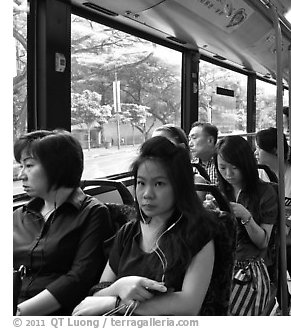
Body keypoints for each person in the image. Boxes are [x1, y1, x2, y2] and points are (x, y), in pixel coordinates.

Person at [72, 136, 217, 315]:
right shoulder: (128, 232)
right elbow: (98, 293)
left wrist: (116, 303)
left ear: (180, 187)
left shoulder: (198, 233)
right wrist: (119, 286)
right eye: (141, 183)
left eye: (159, 184)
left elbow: (188, 305)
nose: (147, 194)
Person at [13, 130, 114, 315]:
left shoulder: (92, 213)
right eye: (21, 166)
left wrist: (19, 313)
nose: (21, 175)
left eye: (28, 166)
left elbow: (79, 278)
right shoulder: (18, 215)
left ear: (56, 168)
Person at [255, 128, 291, 316]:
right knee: (270, 259)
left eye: (259, 149)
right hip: (268, 223)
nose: (255, 153)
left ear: (273, 150)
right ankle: (284, 302)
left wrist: (288, 223)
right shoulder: (257, 172)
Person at [216, 136, 278, 315]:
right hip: (221, 259)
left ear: (247, 164)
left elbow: (263, 243)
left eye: (235, 168)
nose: (228, 174)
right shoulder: (219, 192)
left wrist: (245, 216)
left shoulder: (266, 192)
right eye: (222, 168)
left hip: (250, 262)